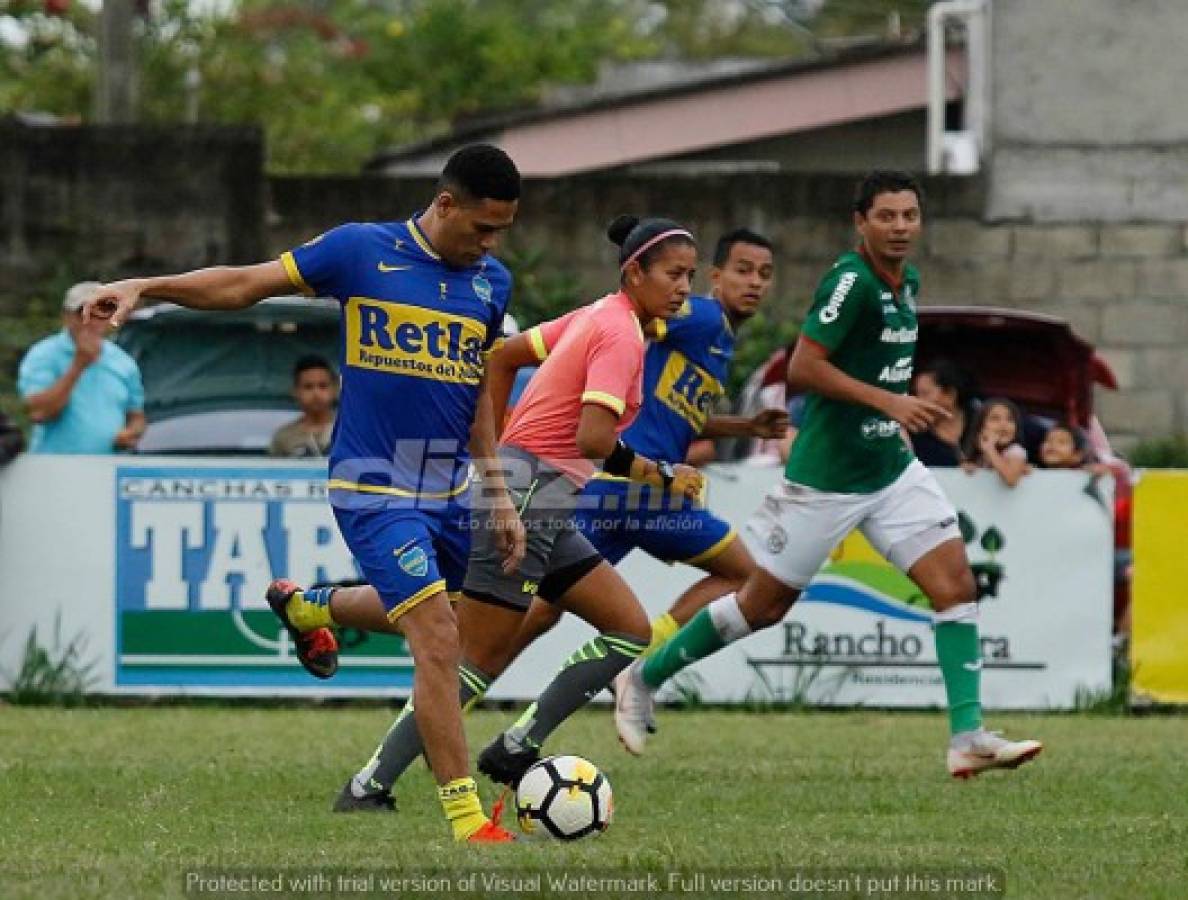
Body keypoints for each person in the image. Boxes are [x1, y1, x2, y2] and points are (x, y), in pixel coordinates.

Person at [83, 144, 527, 843]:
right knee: (439, 640)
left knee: (443, 623)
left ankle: (308, 604)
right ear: (445, 205)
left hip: (450, 490)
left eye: (501, 231)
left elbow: (476, 395)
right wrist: (147, 286)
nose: (491, 243)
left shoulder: (488, 283)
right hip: (372, 487)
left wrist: (496, 491)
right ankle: (468, 821)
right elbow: (243, 284)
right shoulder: (360, 251)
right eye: (482, 227)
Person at [613, 171, 1043, 779]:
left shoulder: (907, 281)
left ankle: (967, 736)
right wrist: (890, 404)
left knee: (956, 587)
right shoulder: (850, 282)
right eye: (886, 216)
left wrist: (892, 411)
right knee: (761, 607)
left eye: (909, 216)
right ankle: (644, 675)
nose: (900, 227)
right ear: (860, 223)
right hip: (827, 479)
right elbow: (804, 372)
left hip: (890, 471)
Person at [337, 215, 703, 806]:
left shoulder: (597, 314)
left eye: (690, 274)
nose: (684, 286)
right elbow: (592, 438)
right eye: (672, 274)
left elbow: (502, 356)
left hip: (537, 492)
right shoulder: (621, 334)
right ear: (634, 272)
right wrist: (660, 473)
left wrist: (506, 444)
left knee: (629, 630)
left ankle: (517, 743)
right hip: (531, 496)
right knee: (475, 658)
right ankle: (368, 785)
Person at [502, 228, 788, 684]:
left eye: (765, 274)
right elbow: (634, 318)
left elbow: (679, 414)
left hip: (611, 488)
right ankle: (642, 665)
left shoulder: (719, 340)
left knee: (542, 610)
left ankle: (462, 683)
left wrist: (745, 427)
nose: (754, 282)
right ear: (715, 277)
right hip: (648, 486)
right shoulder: (703, 316)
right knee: (747, 577)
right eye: (743, 270)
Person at [19, 282, 145, 454]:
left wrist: (132, 432)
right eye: (82, 313)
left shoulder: (123, 361)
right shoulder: (43, 354)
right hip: (53, 469)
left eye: (101, 313)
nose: (91, 321)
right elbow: (39, 412)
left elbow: (136, 415)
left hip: (108, 469)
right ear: (66, 316)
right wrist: (78, 365)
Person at [911, 359, 978, 466]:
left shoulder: (981, 421)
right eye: (916, 394)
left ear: (950, 394)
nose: (918, 401)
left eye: (925, 393)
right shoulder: (914, 433)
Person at [269, 355, 337, 457]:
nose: (316, 393)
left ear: (334, 389)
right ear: (295, 391)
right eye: (308, 387)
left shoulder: (348, 432)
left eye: (323, 386)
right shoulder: (284, 437)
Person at [961, 397, 1029, 487]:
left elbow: (1011, 479)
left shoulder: (1015, 450)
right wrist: (968, 467)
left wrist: (990, 449)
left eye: (1010, 419)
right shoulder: (980, 456)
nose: (1003, 424)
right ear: (981, 427)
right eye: (995, 419)